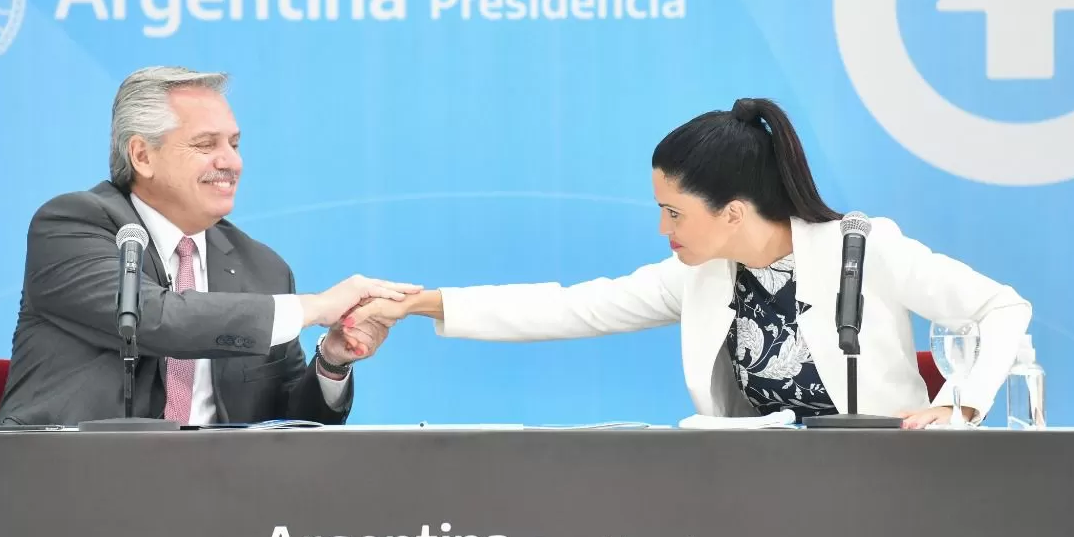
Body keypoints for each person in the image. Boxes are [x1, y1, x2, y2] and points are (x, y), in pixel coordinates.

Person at [346, 98, 1032, 428]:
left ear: (733, 211)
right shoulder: (700, 276)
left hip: (882, 497)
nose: (662, 227)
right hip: (752, 505)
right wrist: (422, 303)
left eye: (675, 211)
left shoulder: (864, 247)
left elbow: (1002, 306)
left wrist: (962, 405)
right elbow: (570, 306)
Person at [0, 67, 415, 427]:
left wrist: (331, 363)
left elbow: (290, 422)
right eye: (205, 144)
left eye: (234, 144)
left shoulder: (262, 268)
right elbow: (154, 317)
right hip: (66, 490)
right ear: (142, 155)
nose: (230, 162)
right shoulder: (73, 225)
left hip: (218, 498)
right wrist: (311, 308)